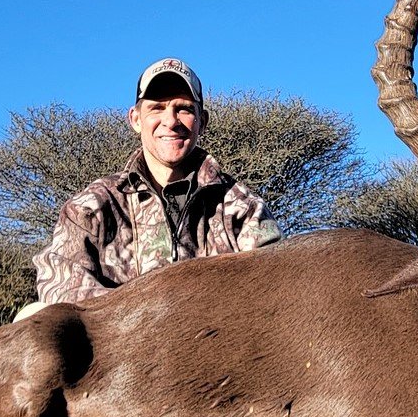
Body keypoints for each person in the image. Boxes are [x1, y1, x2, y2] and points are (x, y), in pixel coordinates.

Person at [16, 58, 280, 320]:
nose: (171, 120)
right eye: (157, 108)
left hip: (215, 351)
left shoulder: (243, 208)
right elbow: (58, 284)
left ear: (203, 120)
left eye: (184, 109)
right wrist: (147, 325)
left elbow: (273, 289)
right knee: (33, 317)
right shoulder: (91, 207)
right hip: (119, 354)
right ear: (135, 119)